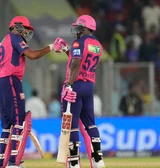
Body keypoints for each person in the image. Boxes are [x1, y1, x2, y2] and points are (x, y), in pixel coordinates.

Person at [0, 16, 76, 168]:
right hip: (11, 80)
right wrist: (51, 47)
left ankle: (2, 163)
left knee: (6, 126)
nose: (27, 32)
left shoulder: (2, 43)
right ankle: (13, 163)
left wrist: (1, 88)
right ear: (17, 26)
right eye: (26, 28)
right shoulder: (15, 38)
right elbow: (32, 55)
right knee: (19, 122)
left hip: (2, 82)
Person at [55, 15, 106, 168]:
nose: (76, 29)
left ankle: (74, 162)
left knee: (72, 125)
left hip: (76, 85)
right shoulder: (97, 45)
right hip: (89, 86)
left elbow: (76, 64)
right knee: (91, 124)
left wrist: (69, 84)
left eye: (78, 27)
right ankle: (98, 160)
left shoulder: (79, 42)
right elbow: (80, 60)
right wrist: (66, 50)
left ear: (85, 28)